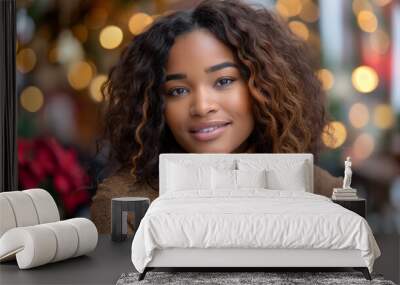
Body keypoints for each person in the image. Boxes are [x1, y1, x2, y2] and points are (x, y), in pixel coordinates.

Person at [91, 0, 342, 234]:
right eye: (178, 91)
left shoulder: (320, 191)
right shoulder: (124, 204)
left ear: (263, 87)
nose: (202, 106)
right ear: (156, 104)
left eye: (223, 81)